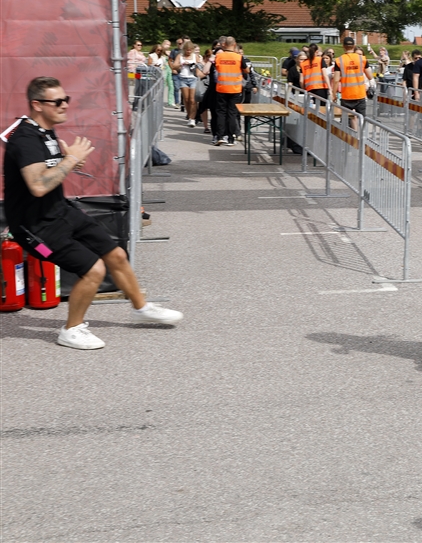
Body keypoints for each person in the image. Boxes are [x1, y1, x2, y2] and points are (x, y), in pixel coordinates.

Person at [2, 77, 184, 350]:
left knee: (116, 253)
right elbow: (38, 186)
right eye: (58, 102)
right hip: (35, 228)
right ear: (37, 105)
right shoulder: (25, 140)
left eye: (66, 99)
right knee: (93, 269)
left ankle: (141, 308)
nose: (65, 105)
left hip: (60, 210)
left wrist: (66, 162)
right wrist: (71, 160)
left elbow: (48, 172)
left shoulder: (46, 131)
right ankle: (71, 329)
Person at [211, 36, 248, 146]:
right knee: (232, 113)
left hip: (221, 88)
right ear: (234, 44)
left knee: (221, 113)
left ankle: (220, 136)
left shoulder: (219, 56)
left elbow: (216, 68)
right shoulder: (238, 57)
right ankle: (232, 138)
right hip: (235, 89)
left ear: (224, 44)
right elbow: (246, 70)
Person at [332, 36, 371, 127]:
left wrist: (334, 94)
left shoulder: (339, 60)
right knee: (361, 121)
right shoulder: (362, 59)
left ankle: (347, 140)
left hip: (346, 96)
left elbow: (336, 80)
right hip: (360, 95)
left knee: (345, 122)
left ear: (343, 46)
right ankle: (360, 139)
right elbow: (369, 76)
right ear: (354, 46)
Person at [173, 40, 202, 128]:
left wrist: (194, 64)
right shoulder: (180, 56)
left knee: (193, 100)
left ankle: (192, 118)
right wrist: (181, 64)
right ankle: (189, 115)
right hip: (183, 78)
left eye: (190, 50)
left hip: (193, 78)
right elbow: (174, 66)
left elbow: (200, 66)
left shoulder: (195, 56)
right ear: (184, 49)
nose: (188, 52)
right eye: (187, 50)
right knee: (186, 99)